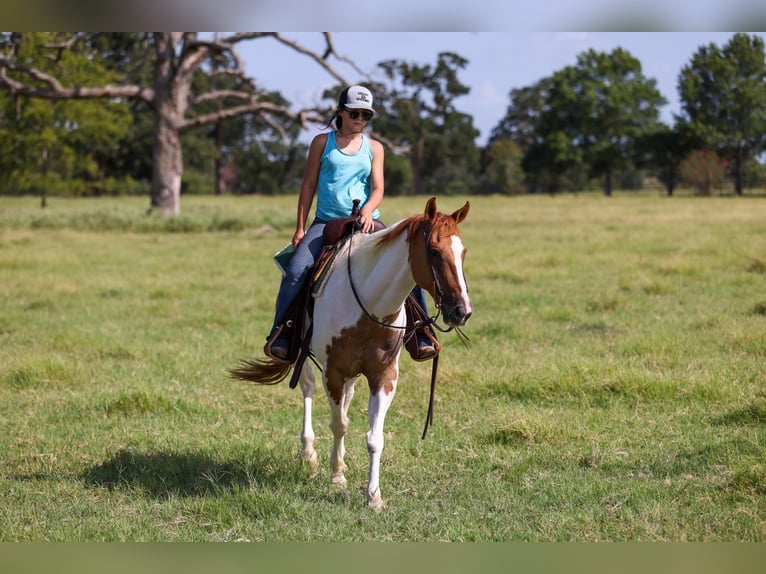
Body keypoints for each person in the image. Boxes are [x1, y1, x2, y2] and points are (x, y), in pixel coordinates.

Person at [264, 84, 435, 361]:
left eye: (366, 115)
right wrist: (300, 228)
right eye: (355, 113)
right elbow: (308, 186)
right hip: (326, 222)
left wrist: (367, 211)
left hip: (366, 222)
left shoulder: (374, 148)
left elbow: (378, 188)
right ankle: (283, 333)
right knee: (296, 269)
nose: (360, 120)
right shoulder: (322, 143)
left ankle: (420, 333)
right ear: (341, 111)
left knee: (408, 259)